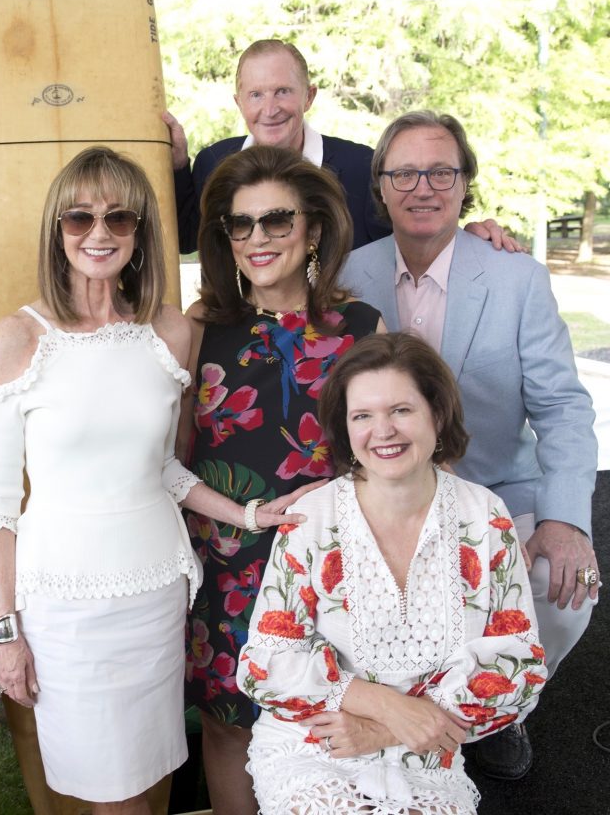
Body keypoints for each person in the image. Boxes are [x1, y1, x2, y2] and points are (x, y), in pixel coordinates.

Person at [0, 146, 315, 814]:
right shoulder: (15, 339)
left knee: (152, 785)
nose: (99, 234)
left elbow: (162, 468)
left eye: (119, 217)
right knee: (108, 796)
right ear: (56, 228)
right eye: (79, 217)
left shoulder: (170, 331)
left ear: (141, 232)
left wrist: (247, 516)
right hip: (65, 606)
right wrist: (4, 631)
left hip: (157, 597)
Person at [340, 110, 599, 780]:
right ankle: (405, 708)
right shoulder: (345, 276)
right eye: (404, 172)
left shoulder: (516, 277)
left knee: (561, 584)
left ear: (464, 184)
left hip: (495, 489)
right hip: (384, 499)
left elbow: (563, 408)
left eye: (441, 171)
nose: (422, 186)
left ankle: (498, 713)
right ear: (381, 186)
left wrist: (566, 521)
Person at [240, 331, 547, 814]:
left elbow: (519, 665)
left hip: (429, 748)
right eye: (363, 415)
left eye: (401, 410)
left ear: (437, 414)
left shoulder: (486, 516)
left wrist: (387, 730)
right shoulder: (311, 520)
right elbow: (265, 666)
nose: (382, 431)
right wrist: (382, 705)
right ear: (345, 428)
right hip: (318, 742)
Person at [179, 144, 383, 814]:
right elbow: (172, 463)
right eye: (242, 224)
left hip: (337, 569)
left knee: (331, 722)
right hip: (228, 562)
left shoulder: (361, 330)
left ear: (314, 228)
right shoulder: (197, 331)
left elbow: (392, 454)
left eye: (277, 220)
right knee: (229, 723)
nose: (258, 238)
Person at [164, 39, 518, 255]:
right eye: (256, 94)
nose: (269, 108)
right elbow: (185, 241)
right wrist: (179, 166)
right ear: (239, 101)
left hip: (343, 344)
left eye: (283, 91)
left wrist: (469, 236)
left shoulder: (361, 166)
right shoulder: (214, 161)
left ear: (309, 96)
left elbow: (412, 242)